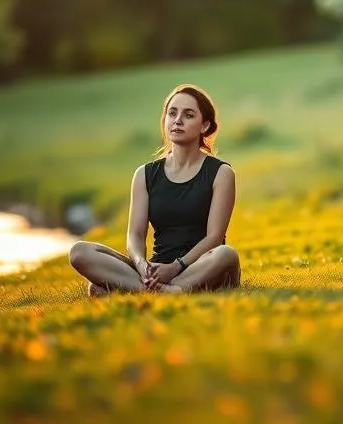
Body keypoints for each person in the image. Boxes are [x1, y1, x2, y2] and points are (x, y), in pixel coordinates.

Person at [69, 84, 240, 295]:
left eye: (188, 115)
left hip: (202, 266)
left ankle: (134, 288)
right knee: (80, 252)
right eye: (172, 113)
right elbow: (135, 235)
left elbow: (214, 237)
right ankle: (164, 291)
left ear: (204, 126)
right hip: (157, 269)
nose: (177, 120)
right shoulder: (145, 175)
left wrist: (176, 266)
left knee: (226, 254)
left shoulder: (221, 173)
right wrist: (142, 266)